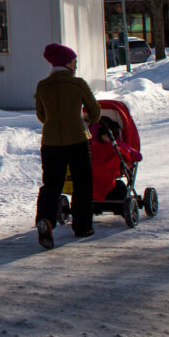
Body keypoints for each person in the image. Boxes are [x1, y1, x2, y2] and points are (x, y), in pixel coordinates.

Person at [33, 42, 101, 249]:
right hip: (77, 141)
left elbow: (41, 116)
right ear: (67, 63)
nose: (75, 64)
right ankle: (83, 226)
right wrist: (85, 120)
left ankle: (46, 219)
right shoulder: (78, 84)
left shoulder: (42, 86)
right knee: (82, 183)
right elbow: (95, 111)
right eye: (74, 61)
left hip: (50, 142)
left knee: (51, 184)